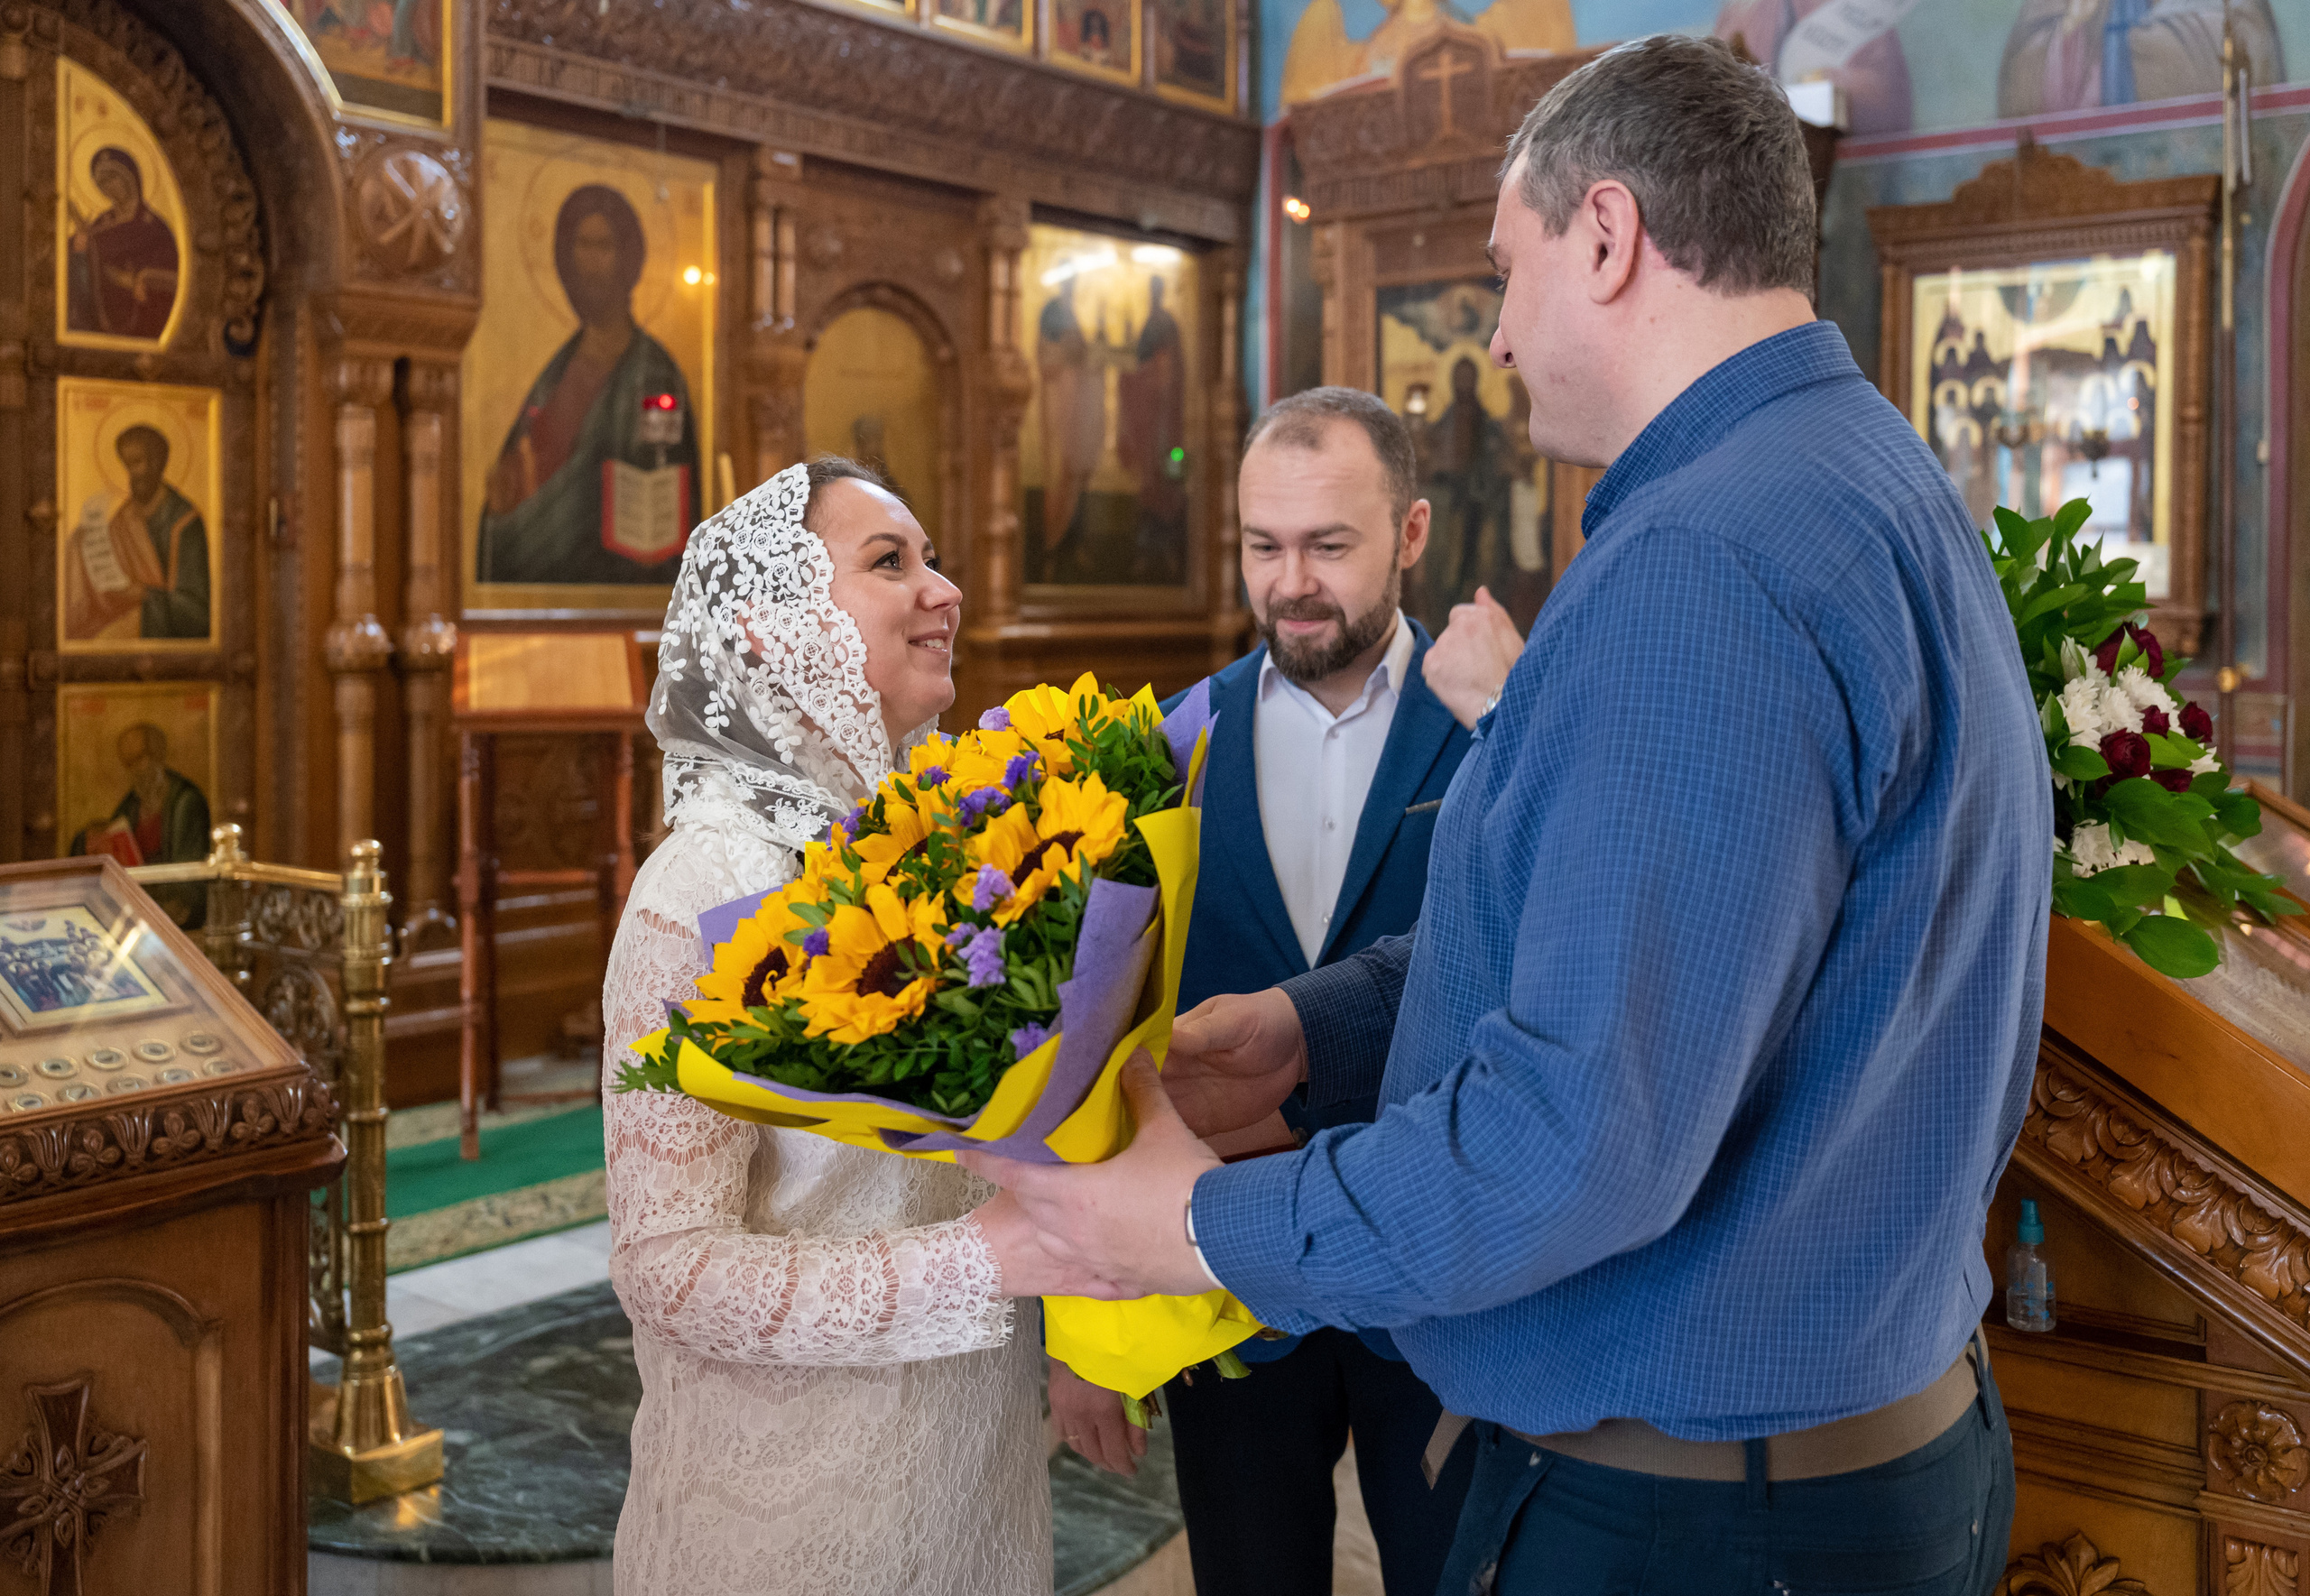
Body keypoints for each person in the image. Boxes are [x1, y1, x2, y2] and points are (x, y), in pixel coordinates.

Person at [967, 34, 2049, 1591]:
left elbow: (1578, 1137)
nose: (1494, 331)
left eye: (1505, 268)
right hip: (1840, 1441)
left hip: (1698, 1506)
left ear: (1606, 236)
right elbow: (1665, 945)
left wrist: (1199, 1228)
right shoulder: (1860, 476)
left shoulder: (1700, 562)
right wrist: (1321, 1026)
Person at [1047, 387, 1475, 1596]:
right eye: (1261, 546)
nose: (1292, 584)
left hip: (1443, 1274)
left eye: (1328, 545)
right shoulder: (1162, 744)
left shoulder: (1494, 726)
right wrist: (1083, 1329)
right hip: (1223, 1274)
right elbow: (1096, 1043)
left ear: (1411, 532)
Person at [601, 457, 1051, 1595]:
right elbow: (666, 1266)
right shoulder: (699, 889)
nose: (944, 590)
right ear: (775, 628)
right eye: (890, 562)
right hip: (787, 1501)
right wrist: (985, 1264)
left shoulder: (935, 850)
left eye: (933, 558)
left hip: (972, 1465)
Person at [477, 185, 700, 587]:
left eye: (603, 246)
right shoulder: (562, 365)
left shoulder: (652, 373)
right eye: (580, 246)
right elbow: (523, 471)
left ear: (628, 259)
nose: (589, 263)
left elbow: (657, 502)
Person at [64, 424, 210, 642]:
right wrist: (82, 546)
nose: (132, 473)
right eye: (127, 464)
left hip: (159, 636)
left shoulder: (186, 523)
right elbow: (107, 575)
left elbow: (197, 613)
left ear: (158, 463)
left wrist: (145, 594)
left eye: (137, 462)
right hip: (121, 622)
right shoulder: (125, 516)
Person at [70, 722, 210, 926]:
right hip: (137, 908)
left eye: (139, 759)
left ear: (158, 755)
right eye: (128, 763)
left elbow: (190, 876)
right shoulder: (131, 805)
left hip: (176, 911)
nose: (134, 770)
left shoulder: (186, 802)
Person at [66, 147, 179, 341]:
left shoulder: (152, 226)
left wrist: (140, 279)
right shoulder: (103, 222)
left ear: (130, 178)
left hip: (140, 316)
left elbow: (171, 273)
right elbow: (83, 255)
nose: (108, 186)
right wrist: (78, 250)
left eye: (112, 177)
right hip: (98, 314)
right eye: (102, 182)